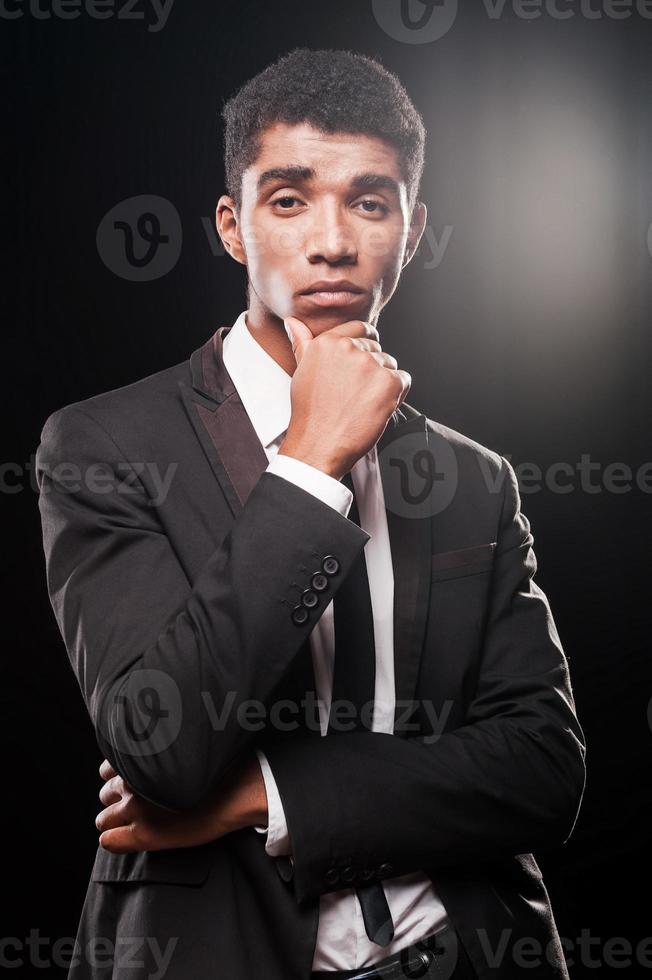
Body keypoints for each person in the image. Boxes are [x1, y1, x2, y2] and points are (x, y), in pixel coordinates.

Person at [36, 47, 586, 980]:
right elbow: (160, 747)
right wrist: (311, 462)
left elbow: (542, 772)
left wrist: (266, 793)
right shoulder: (102, 444)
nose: (332, 242)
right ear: (233, 226)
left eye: (370, 202)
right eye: (289, 199)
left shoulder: (476, 480)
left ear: (411, 232)